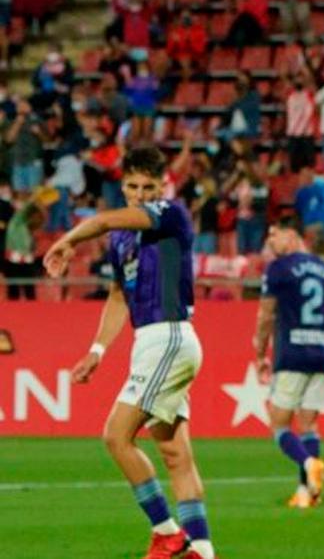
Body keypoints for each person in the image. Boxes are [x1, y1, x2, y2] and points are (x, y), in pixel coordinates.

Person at [41, 147, 217, 559]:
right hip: (152, 343)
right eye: (133, 186)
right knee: (175, 453)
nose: (140, 194)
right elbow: (119, 296)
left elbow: (99, 220)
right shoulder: (121, 238)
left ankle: (167, 533)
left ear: (162, 186)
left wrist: (66, 241)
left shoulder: (170, 213)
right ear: (124, 185)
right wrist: (98, 350)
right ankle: (203, 552)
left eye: (148, 186)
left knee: (116, 436)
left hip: (170, 336)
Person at [253, 225, 324, 509]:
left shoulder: (279, 269)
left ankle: (310, 463)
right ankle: (307, 493)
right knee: (309, 424)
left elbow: (265, 316)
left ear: (293, 235)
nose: (270, 240)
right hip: (320, 354)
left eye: (275, 234)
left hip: (291, 355)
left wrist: (260, 353)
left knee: (279, 423)